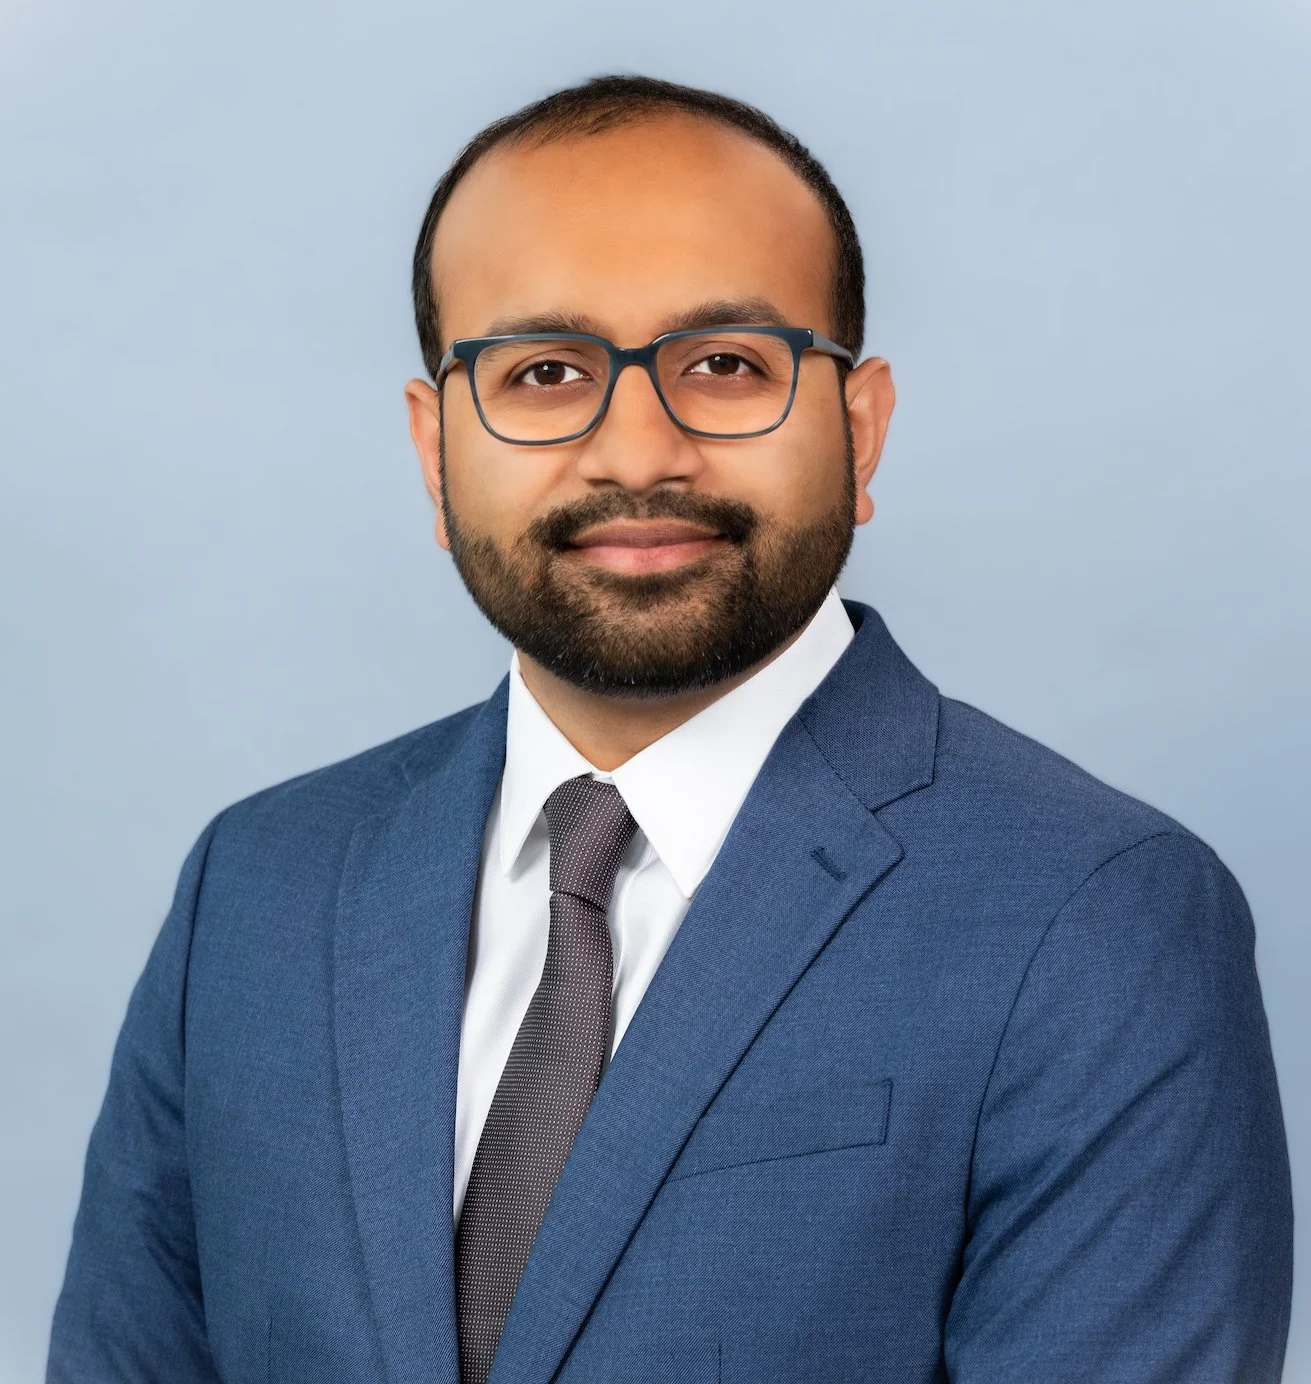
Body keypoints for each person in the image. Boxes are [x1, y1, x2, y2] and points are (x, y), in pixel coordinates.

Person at [47, 74, 1292, 1384]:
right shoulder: (258, 889)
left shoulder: (1098, 918)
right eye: (540, 372)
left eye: (723, 365)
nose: (635, 451)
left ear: (858, 432)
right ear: (435, 452)